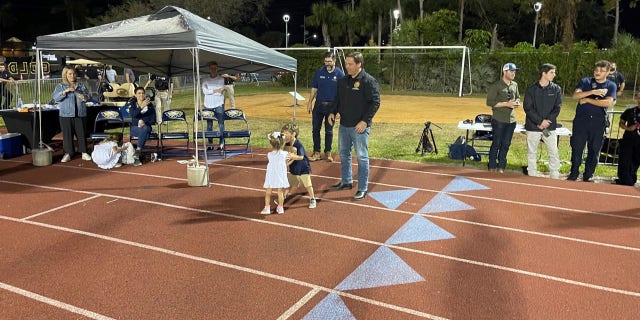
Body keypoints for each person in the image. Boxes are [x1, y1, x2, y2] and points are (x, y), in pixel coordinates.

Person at [328, 51, 381, 201]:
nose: (347, 67)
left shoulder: (368, 81)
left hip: (359, 128)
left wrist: (365, 121)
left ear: (359, 64)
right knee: (344, 154)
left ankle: (363, 188)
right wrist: (333, 112)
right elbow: (338, 99)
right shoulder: (343, 81)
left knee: (362, 157)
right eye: (346, 64)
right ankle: (346, 181)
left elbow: (375, 103)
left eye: (350, 64)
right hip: (344, 125)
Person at [568, 60, 617, 182]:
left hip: (598, 122)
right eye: (596, 70)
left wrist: (588, 100)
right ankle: (573, 173)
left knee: (594, 150)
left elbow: (607, 102)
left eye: (601, 71)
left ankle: (588, 175)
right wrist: (592, 92)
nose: (598, 72)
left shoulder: (611, 85)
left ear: (608, 73)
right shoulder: (586, 81)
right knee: (577, 148)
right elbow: (575, 96)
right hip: (581, 121)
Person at [523, 63, 562, 179]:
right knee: (532, 152)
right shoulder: (531, 89)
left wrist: (547, 121)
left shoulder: (556, 89)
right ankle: (532, 175)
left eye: (554, 72)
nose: (554, 75)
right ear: (544, 73)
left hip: (549, 128)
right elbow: (528, 108)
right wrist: (540, 122)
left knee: (554, 152)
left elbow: (557, 107)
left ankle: (554, 175)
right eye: (552, 72)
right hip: (533, 127)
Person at [307, 51, 345, 162]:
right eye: (326, 61)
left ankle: (328, 153)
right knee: (315, 130)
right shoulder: (319, 72)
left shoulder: (340, 74)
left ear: (334, 61)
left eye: (330, 61)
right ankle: (316, 152)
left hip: (332, 108)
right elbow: (314, 89)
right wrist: (310, 102)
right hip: (318, 106)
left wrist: (339, 110)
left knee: (329, 131)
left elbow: (342, 93)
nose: (327, 63)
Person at [52, 66, 92, 163]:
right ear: (65, 75)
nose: (72, 76)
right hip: (66, 115)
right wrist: (65, 92)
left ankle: (83, 152)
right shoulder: (60, 86)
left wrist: (83, 96)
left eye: (74, 73)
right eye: (69, 74)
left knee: (81, 134)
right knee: (67, 135)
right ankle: (68, 153)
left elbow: (89, 97)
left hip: (80, 114)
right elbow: (55, 98)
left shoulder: (81, 85)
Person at [486, 63, 520, 173]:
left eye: (514, 71)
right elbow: (490, 102)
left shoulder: (514, 84)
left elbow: (517, 97)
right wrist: (506, 104)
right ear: (504, 72)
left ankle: (501, 166)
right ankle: (491, 165)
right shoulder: (496, 86)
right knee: (496, 143)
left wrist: (517, 102)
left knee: (506, 144)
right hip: (499, 120)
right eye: (511, 71)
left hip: (511, 120)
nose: (513, 73)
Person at [281, 122, 317, 209]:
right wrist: (286, 163)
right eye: (283, 133)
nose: (284, 136)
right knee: (289, 184)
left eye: (286, 133)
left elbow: (301, 157)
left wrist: (293, 156)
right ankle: (283, 197)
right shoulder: (286, 144)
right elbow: (288, 157)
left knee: (308, 185)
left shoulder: (298, 144)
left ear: (293, 134)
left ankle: (312, 199)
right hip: (294, 168)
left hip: (303, 168)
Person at [614, 94, 640, 186]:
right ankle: (624, 179)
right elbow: (621, 123)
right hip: (628, 139)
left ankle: (631, 179)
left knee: (635, 161)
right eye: (639, 98)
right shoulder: (630, 111)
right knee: (624, 160)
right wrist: (628, 128)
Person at [261, 131, 290, 215]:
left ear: (272, 144)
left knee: (268, 192)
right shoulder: (285, 154)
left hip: (271, 176)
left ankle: (267, 208)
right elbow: (288, 159)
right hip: (280, 176)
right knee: (280, 192)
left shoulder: (269, 154)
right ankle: (280, 208)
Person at [129, 86, 157, 166]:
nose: (141, 95)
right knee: (145, 131)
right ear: (135, 95)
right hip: (135, 128)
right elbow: (133, 114)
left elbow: (153, 120)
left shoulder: (150, 105)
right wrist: (141, 107)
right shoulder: (132, 104)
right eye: (139, 93)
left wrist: (144, 121)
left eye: (143, 93)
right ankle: (138, 153)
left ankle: (137, 152)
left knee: (144, 128)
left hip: (146, 126)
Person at [201, 61, 226, 150]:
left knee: (221, 124)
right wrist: (215, 90)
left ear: (217, 68)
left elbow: (221, 92)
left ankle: (221, 144)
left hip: (219, 104)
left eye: (215, 68)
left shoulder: (221, 79)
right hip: (208, 104)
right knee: (209, 125)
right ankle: (210, 144)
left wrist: (210, 91)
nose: (213, 70)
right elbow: (204, 91)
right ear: (209, 69)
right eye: (212, 68)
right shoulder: (205, 79)